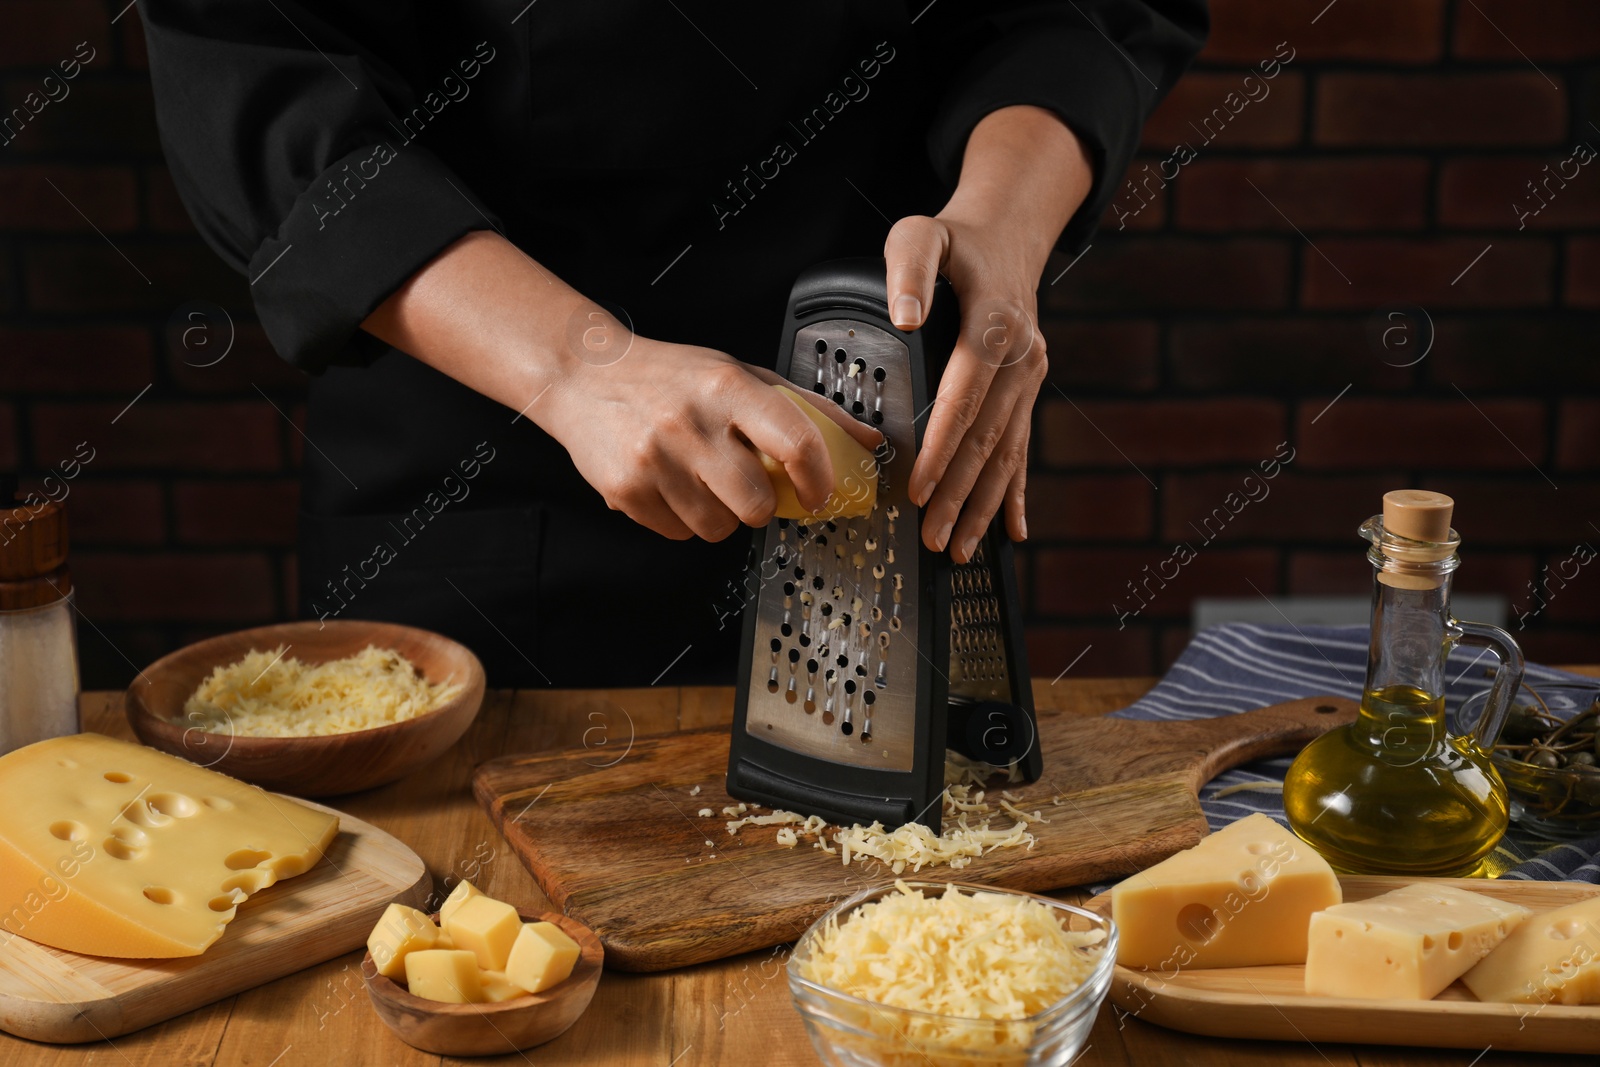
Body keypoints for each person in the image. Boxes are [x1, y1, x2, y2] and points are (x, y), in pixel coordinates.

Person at [141, 1, 1206, 687]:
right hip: (481, 489)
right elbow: (256, 56)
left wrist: (1004, 229)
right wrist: (572, 365)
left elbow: (1082, 11)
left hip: (881, 433)